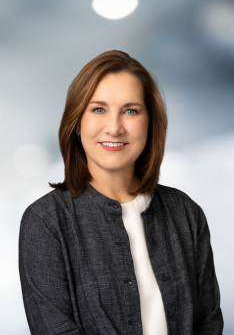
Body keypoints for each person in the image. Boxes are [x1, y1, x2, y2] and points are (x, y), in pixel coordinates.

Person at [18, 50, 223, 335]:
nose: (114, 128)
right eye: (98, 109)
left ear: (150, 123)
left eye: (130, 111)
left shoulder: (186, 213)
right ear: (76, 122)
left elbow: (208, 323)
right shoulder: (46, 221)